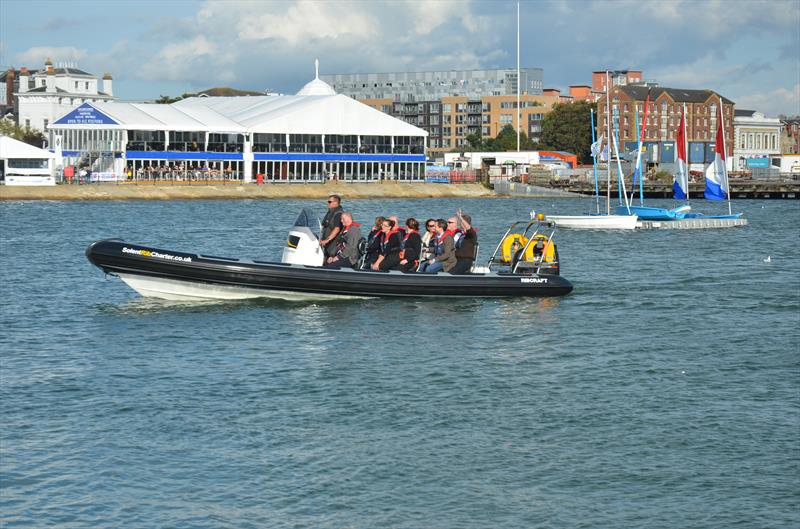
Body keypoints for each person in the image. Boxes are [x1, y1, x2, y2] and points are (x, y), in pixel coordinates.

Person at [450, 210, 478, 275]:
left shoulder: (471, 235)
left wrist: (460, 217)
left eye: (460, 222)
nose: (459, 224)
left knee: (453, 273)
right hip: (456, 259)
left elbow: (469, 228)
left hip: (465, 260)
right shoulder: (460, 234)